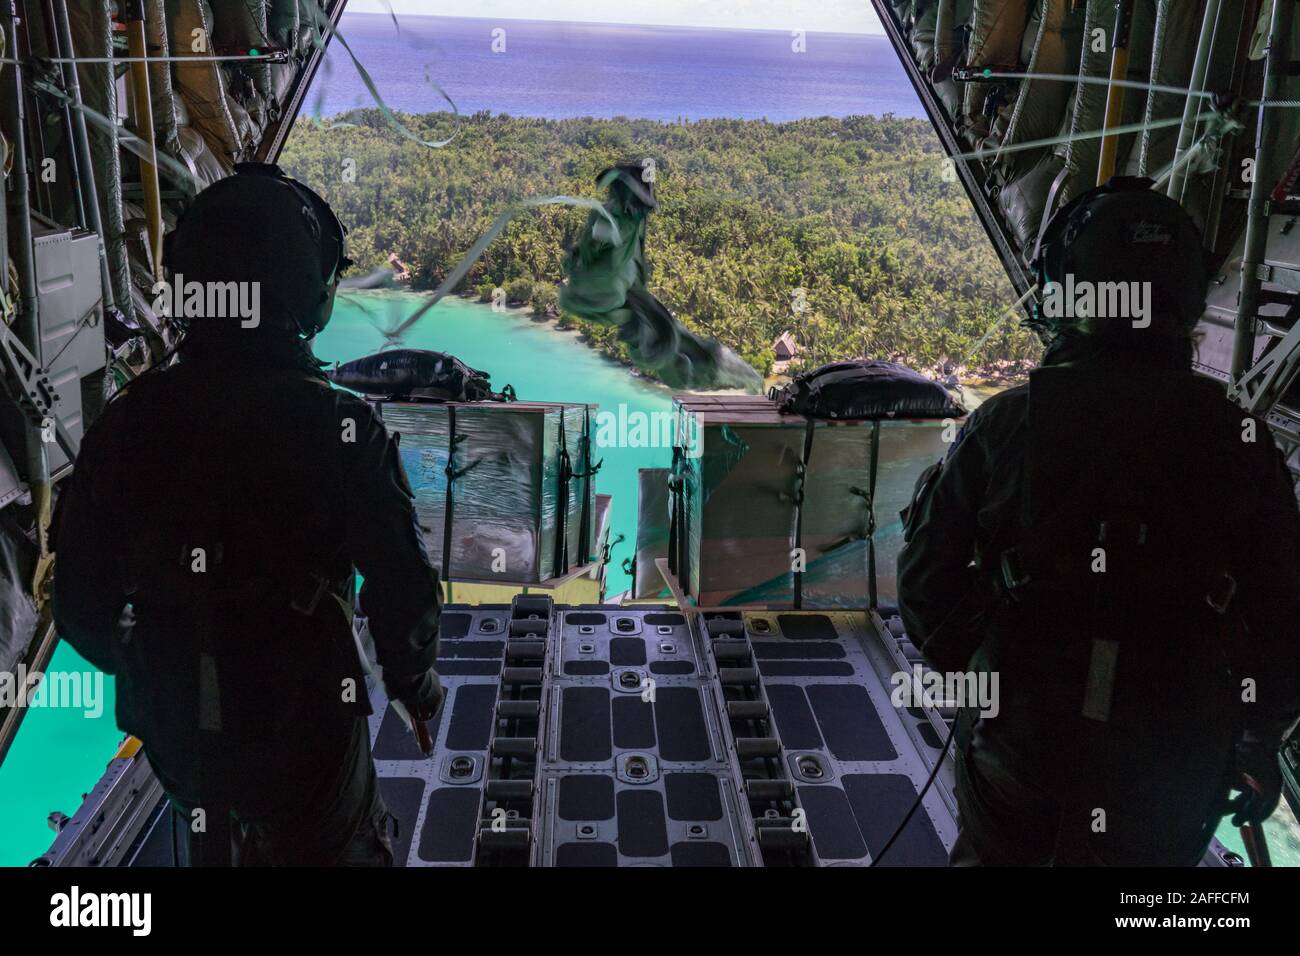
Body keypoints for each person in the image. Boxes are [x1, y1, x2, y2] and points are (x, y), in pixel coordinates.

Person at [897, 177, 1300, 865]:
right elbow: (1286, 621)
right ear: (1188, 296)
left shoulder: (1008, 425)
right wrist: (1252, 739)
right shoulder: (1243, 443)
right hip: (1172, 767)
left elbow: (927, 594)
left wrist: (991, 676)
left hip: (1026, 756)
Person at [52, 163, 444, 866]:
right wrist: (418, 690)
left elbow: (79, 606)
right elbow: (403, 592)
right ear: (305, 289)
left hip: (176, 722)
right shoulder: (341, 427)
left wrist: (155, 658)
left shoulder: (127, 423)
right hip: (304, 723)